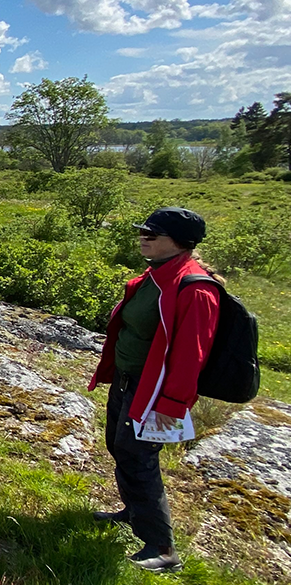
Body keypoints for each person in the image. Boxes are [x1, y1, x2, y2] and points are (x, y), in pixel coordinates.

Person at [89, 207, 221, 573]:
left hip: (155, 394)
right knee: (120, 447)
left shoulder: (196, 289)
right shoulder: (157, 275)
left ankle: (162, 548)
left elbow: (191, 355)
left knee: (139, 459)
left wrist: (172, 405)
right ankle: (133, 514)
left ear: (180, 243)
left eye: (153, 233)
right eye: (143, 231)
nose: (144, 237)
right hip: (128, 383)